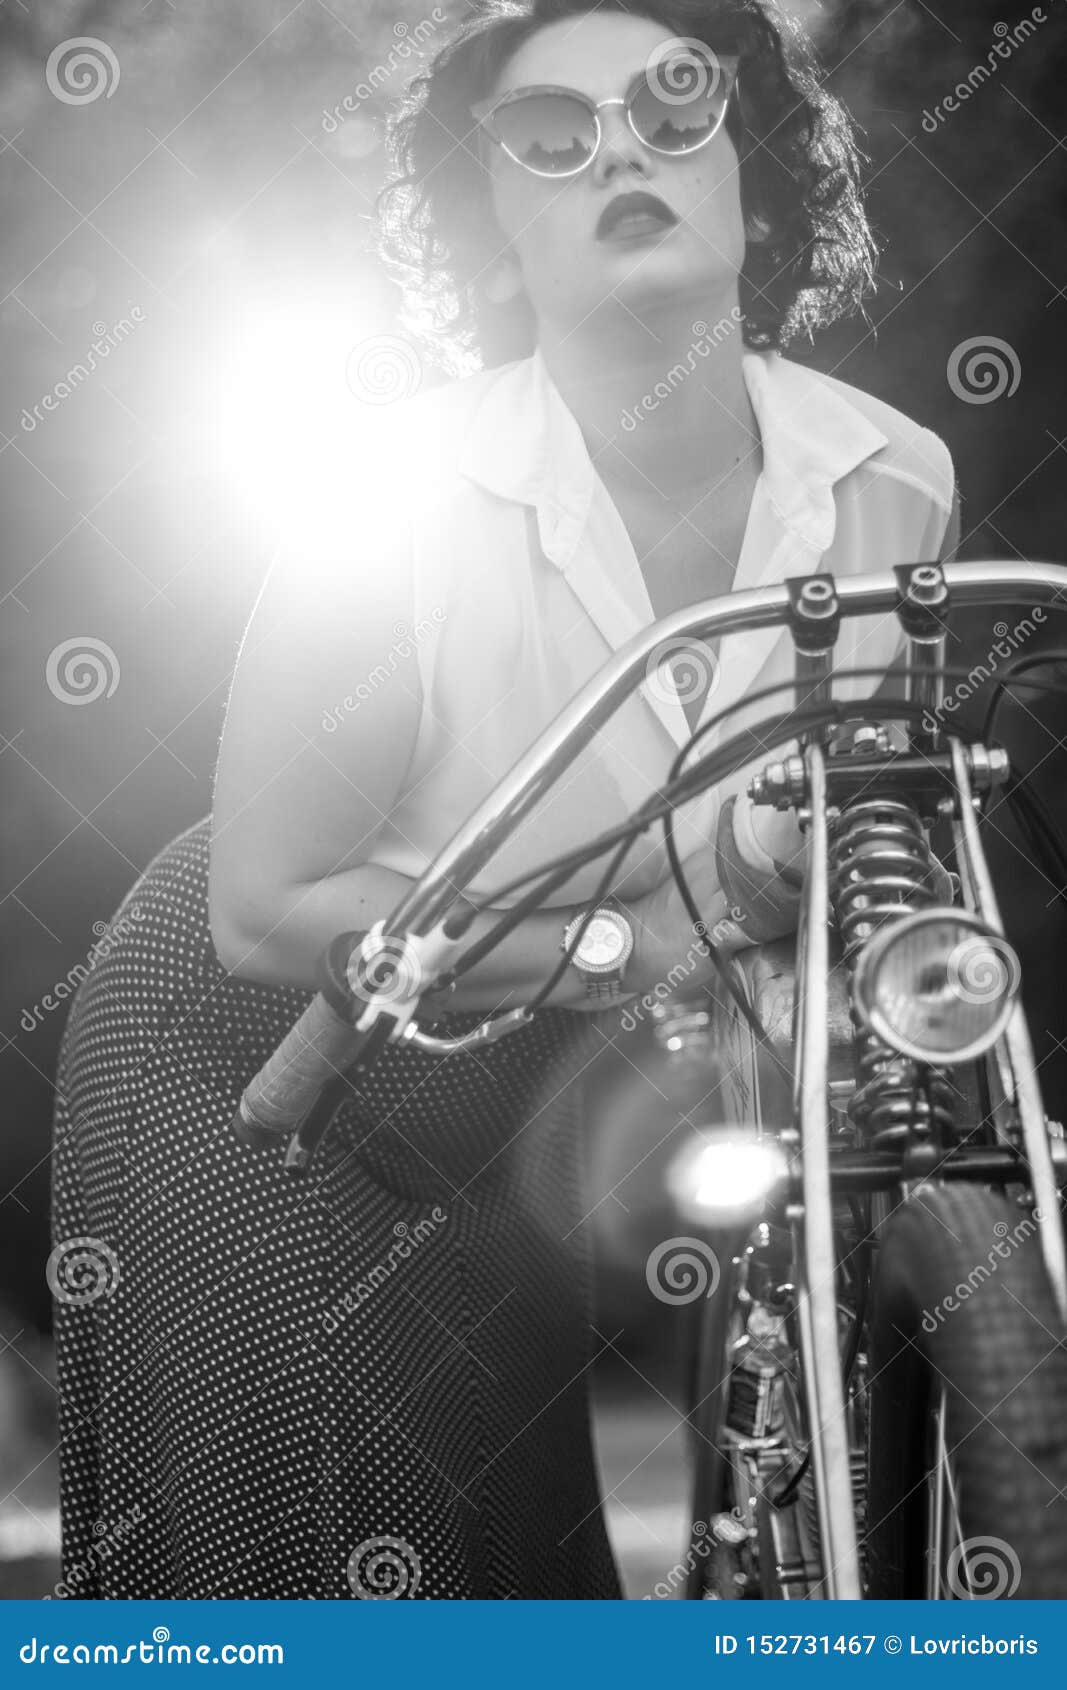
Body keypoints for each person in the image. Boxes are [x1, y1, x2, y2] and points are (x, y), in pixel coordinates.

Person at [50, 0, 956, 1599]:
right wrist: (638, 947)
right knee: (345, 1550)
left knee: (540, 1566)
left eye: (678, 104)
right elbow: (268, 907)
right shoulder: (390, 498)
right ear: (498, 230)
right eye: (553, 133)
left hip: (584, 1077)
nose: (623, 149)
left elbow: (845, 837)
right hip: (277, 1051)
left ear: (752, 168)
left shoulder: (895, 482)